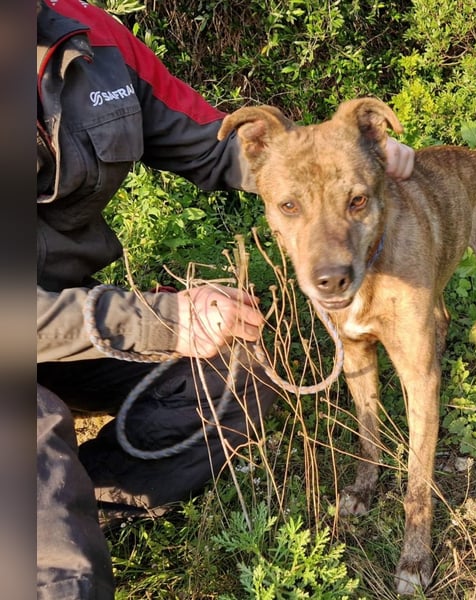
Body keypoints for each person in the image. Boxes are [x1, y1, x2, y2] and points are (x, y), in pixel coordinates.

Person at [36, 0, 414, 597]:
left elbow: (217, 147)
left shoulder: (94, 41)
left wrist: (351, 164)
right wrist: (161, 320)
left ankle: (85, 509)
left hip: (72, 321)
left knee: (239, 376)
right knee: (48, 523)